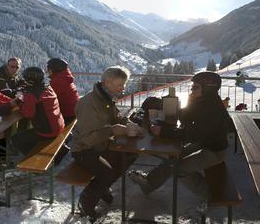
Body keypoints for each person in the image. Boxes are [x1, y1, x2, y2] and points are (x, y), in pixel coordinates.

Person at [129, 72, 235, 201]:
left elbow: (193, 135)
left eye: (196, 87)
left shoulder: (212, 108)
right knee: (174, 156)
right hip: (205, 142)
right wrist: (190, 102)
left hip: (215, 151)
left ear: (208, 88)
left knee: (179, 169)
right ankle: (149, 184)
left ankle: (209, 197)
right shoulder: (204, 100)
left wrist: (163, 132)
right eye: (192, 86)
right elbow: (186, 118)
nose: (191, 89)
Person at [71, 66, 137, 220]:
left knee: (128, 155)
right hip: (83, 150)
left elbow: (117, 118)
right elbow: (87, 138)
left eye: (124, 84)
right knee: (106, 172)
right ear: (107, 82)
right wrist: (113, 130)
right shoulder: (90, 103)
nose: (123, 88)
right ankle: (86, 201)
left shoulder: (106, 98)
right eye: (120, 85)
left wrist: (129, 124)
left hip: (100, 146)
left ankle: (101, 188)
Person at [11, 67, 65, 156]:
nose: (24, 81)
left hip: (47, 131)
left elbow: (27, 114)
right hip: (59, 125)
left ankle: (32, 159)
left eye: (26, 80)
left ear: (30, 80)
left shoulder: (31, 94)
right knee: (26, 134)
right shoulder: (48, 88)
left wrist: (20, 102)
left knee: (15, 139)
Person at [47, 58, 79, 124]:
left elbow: (47, 98)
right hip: (74, 112)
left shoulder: (58, 81)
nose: (47, 71)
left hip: (67, 115)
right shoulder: (64, 77)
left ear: (55, 70)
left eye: (49, 69)